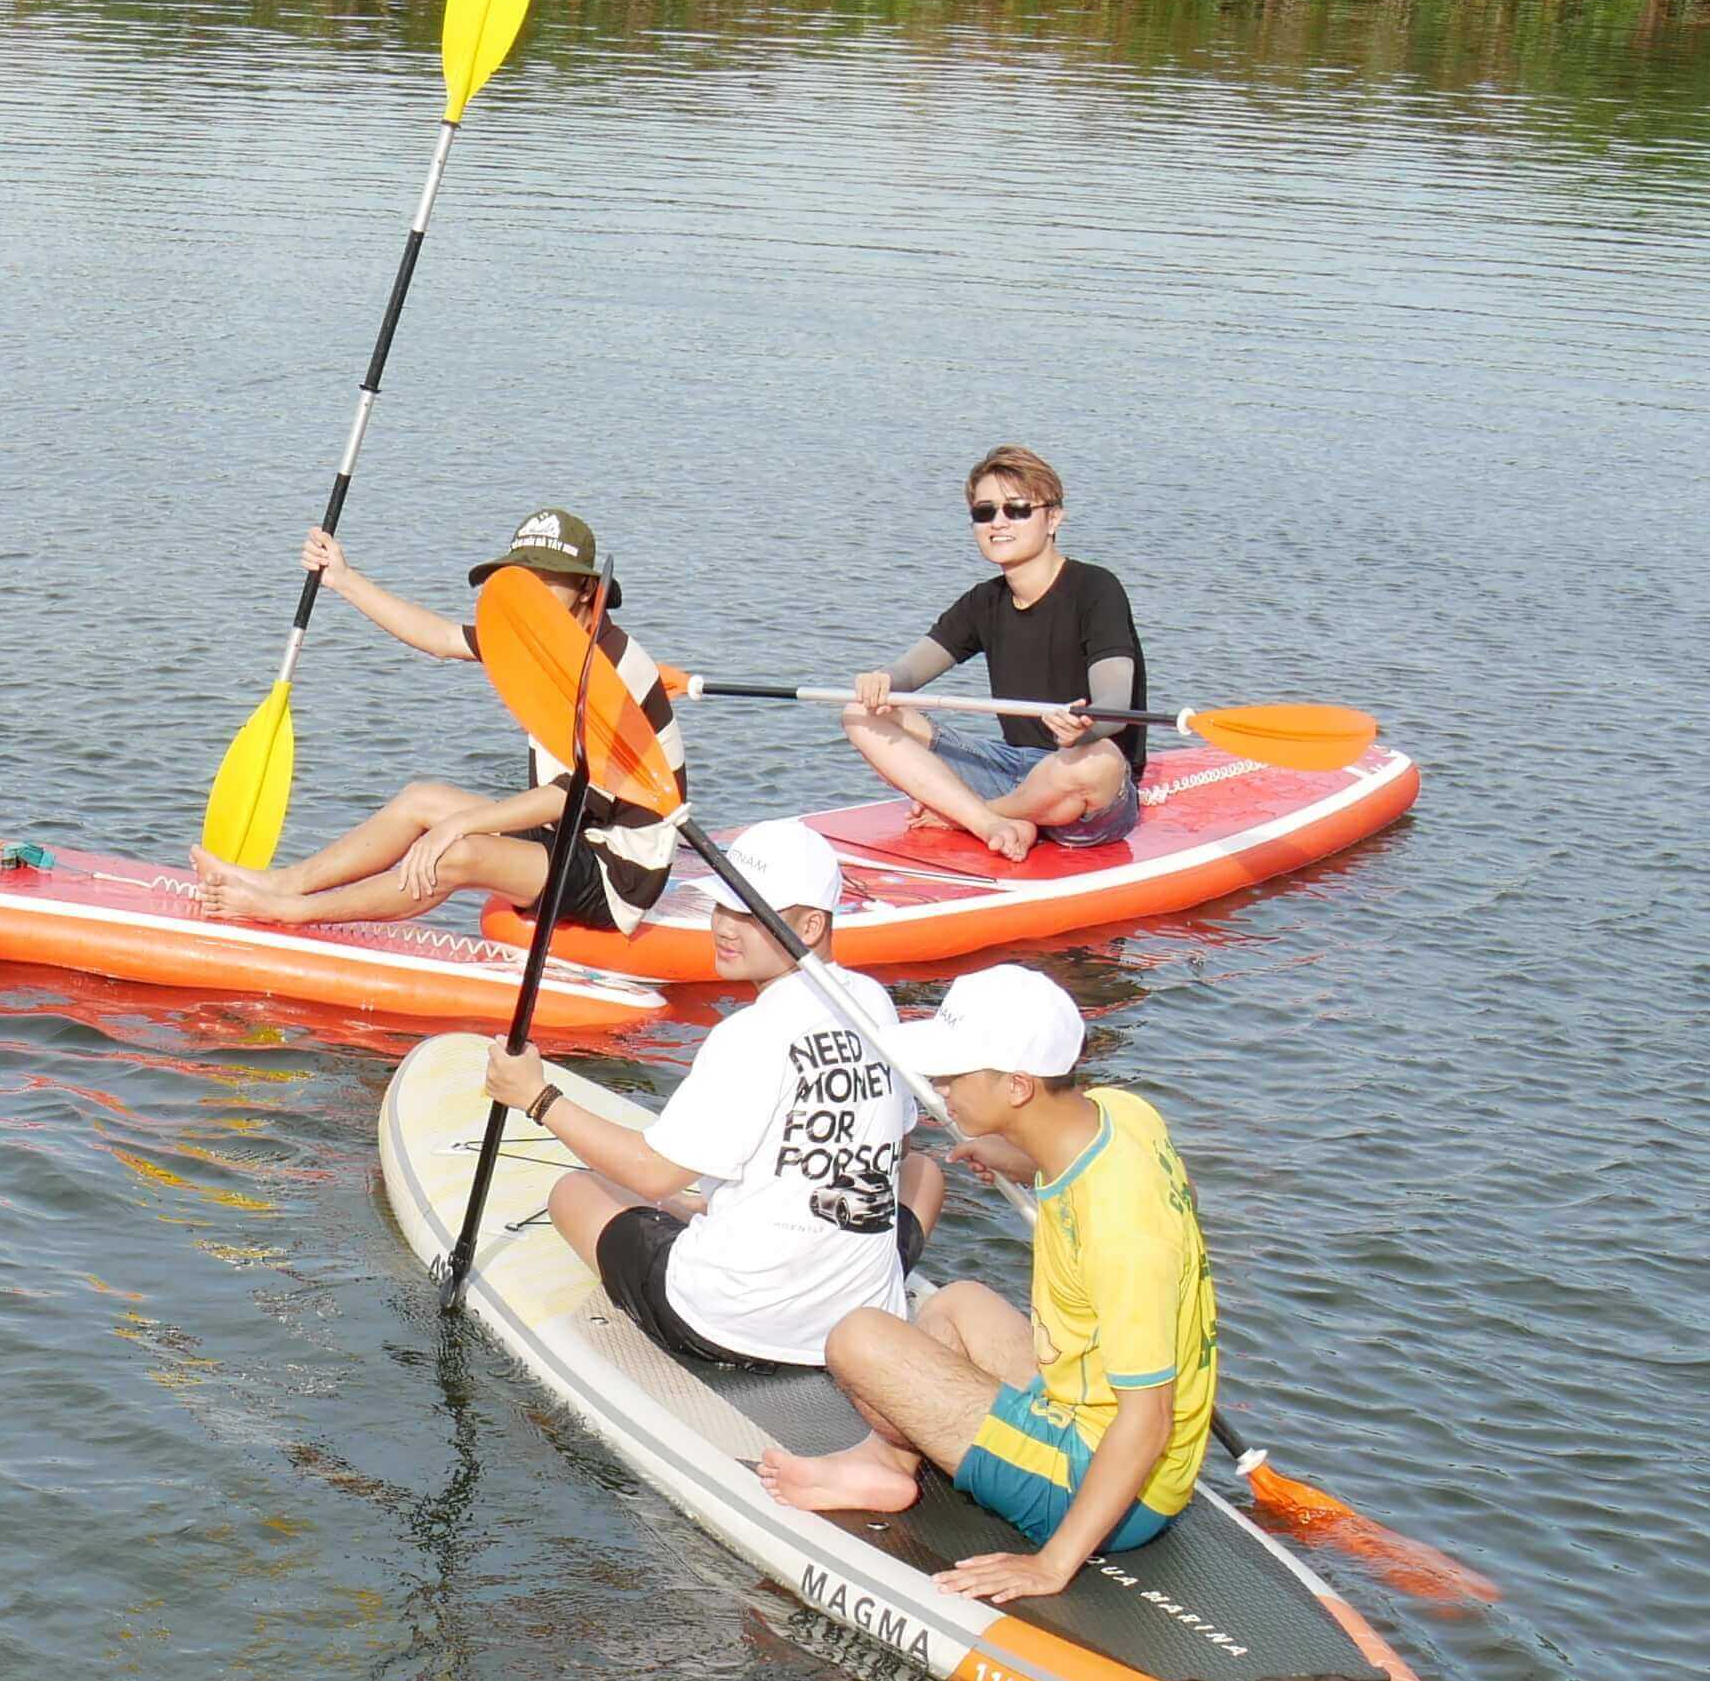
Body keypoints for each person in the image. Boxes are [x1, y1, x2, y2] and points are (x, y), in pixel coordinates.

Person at [756, 963, 1222, 1600]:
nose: (942, 1088)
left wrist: (1052, 1565)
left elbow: (1147, 1418)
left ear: (1019, 1086)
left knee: (858, 1337)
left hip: (1099, 1481)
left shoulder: (1122, 1233)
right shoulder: (1124, 1114)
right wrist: (1024, 1160)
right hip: (1085, 1407)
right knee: (957, 1304)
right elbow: (1180, 1193)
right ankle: (886, 1464)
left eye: (955, 1075)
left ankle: (1028, 1518)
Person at [481, 816, 942, 1372]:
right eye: (723, 906)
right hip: (858, 1316)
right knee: (926, 1176)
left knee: (575, 1191)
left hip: (729, 1325)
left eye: (750, 914)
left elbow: (651, 1174)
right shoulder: (873, 1001)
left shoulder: (749, 1033)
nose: (725, 926)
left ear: (814, 925)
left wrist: (537, 1096)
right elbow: (902, 1141)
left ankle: (716, 1278)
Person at [195, 506, 700, 934]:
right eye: (520, 583)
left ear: (587, 591)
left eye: (545, 582)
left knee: (457, 852)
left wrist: (460, 825)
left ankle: (290, 911)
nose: (529, 598)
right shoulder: (540, 638)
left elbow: (575, 794)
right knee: (420, 800)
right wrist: (343, 581)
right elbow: (439, 637)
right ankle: (280, 882)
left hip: (618, 872)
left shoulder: (615, 668)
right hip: (566, 834)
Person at [839, 444, 1147, 861]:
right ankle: (993, 824)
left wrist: (1086, 728)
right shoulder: (982, 602)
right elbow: (908, 673)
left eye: (1017, 509)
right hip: (1012, 768)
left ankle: (970, 814)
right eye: (985, 512)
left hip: (1084, 782)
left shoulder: (1096, 589)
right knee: (861, 713)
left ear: (1053, 518)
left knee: (1097, 762)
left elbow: (1114, 706)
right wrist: (881, 681)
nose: (998, 523)